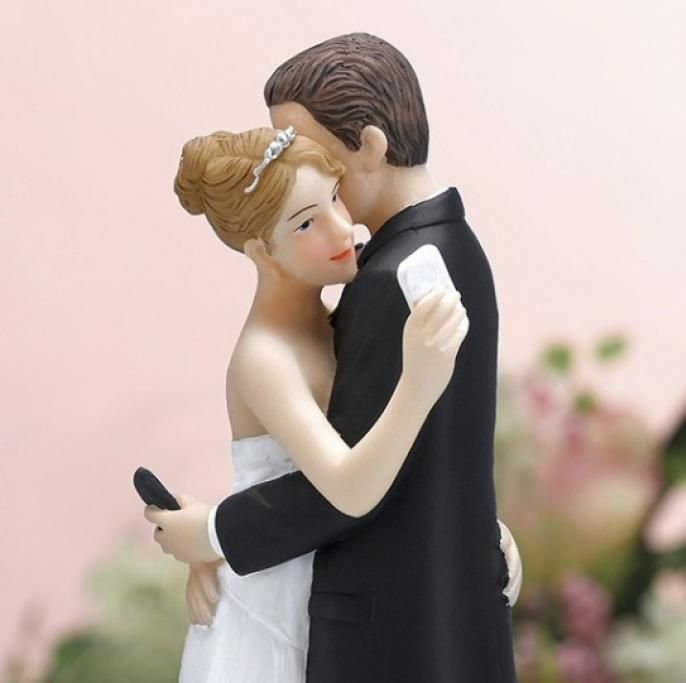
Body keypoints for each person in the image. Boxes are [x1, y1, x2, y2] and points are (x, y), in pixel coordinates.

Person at [146, 32, 520, 682]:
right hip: (369, 603)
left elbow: (358, 482)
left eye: (316, 154)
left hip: (392, 625)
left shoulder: (390, 278)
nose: (296, 163)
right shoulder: (450, 248)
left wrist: (214, 534)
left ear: (369, 145)